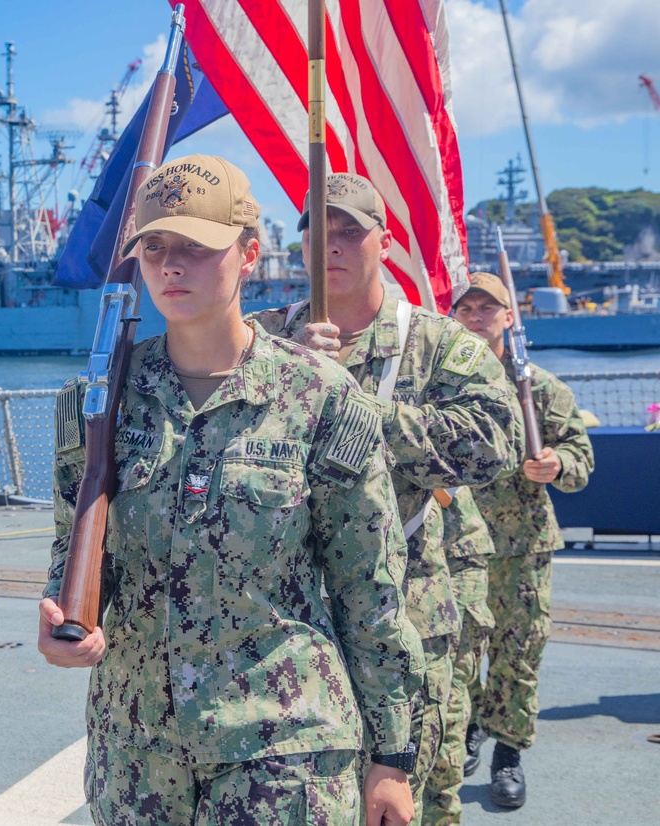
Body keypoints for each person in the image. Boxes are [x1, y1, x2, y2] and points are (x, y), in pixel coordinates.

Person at [38, 155, 424, 826]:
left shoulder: (321, 398)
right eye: (154, 247)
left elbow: (371, 591)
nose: (171, 265)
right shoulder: (98, 405)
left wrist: (391, 758)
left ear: (249, 255)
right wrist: (62, 629)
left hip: (283, 750)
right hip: (137, 755)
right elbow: (72, 551)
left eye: (196, 245)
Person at [250, 174, 523, 826]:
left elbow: (498, 442)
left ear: (385, 241)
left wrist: (352, 409)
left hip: (402, 615)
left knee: (406, 806)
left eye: (352, 231)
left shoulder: (437, 344)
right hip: (284, 620)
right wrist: (281, 372)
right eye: (321, 232)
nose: (334, 246)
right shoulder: (261, 336)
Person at [452, 272, 594, 809]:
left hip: (521, 545)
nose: (476, 316)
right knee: (458, 651)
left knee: (518, 654)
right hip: (456, 544)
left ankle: (507, 754)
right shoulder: (441, 383)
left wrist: (558, 463)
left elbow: (581, 459)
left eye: (489, 308)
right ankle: (465, 729)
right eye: (466, 308)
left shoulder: (541, 387)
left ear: (509, 317)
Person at [421, 487, 495, 825]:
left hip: (452, 555)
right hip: (378, 552)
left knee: (442, 697)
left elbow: (444, 487)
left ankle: (441, 815)